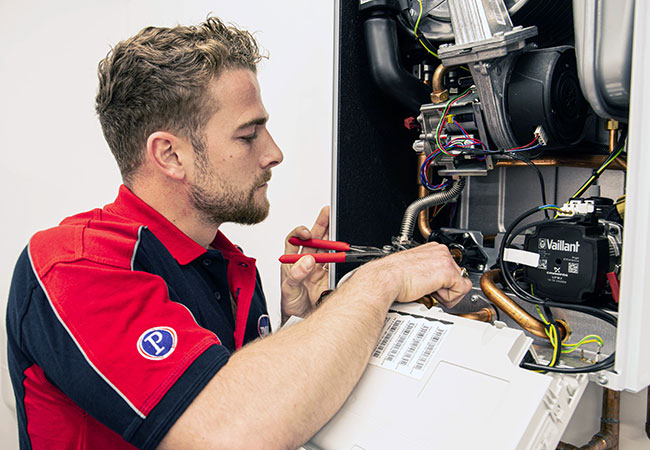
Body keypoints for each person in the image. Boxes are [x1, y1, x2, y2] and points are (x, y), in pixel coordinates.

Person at [6, 17, 471, 449]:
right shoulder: (73, 265)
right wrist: (378, 281)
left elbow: (251, 392)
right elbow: (227, 431)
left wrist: (301, 324)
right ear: (170, 155)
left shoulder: (226, 264)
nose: (274, 153)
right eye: (249, 135)